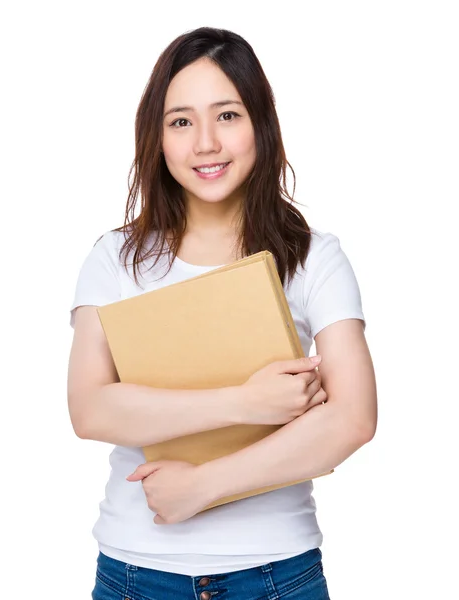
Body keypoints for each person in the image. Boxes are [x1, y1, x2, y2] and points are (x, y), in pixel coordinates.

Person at [68, 26, 377, 600]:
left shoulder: (313, 257)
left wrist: (203, 486)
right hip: (135, 574)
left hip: (278, 574)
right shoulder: (115, 257)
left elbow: (352, 419)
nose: (206, 143)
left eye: (228, 115)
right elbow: (90, 408)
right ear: (156, 138)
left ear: (261, 123)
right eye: (181, 121)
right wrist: (246, 403)